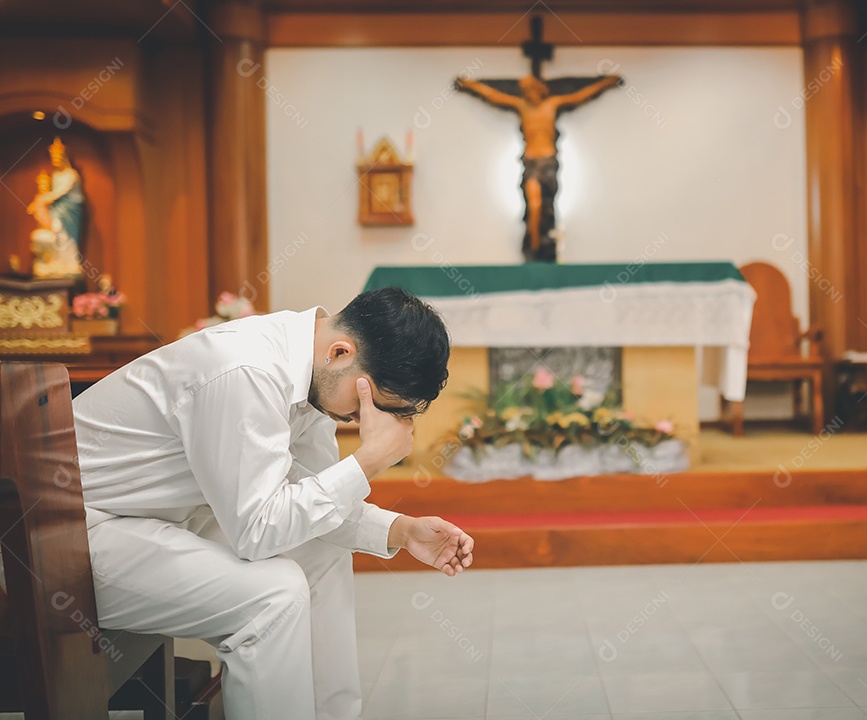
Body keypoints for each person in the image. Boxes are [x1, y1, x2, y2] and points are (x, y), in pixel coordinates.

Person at [74, 286, 473, 720]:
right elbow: (258, 532)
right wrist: (369, 459)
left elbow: (312, 502)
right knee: (273, 597)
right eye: (367, 406)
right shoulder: (245, 370)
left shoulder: (315, 376)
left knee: (321, 552)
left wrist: (399, 530)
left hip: (159, 520)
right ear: (340, 353)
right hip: (74, 535)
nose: (359, 421)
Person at [456, 74, 621, 261]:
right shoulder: (522, 107)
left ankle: (544, 247)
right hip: (531, 161)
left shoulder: (552, 104)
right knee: (534, 204)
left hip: (549, 161)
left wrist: (605, 83)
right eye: (525, 92)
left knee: (546, 207)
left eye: (531, 90)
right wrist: (471, 85)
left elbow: (580, 96)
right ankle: (533, 245)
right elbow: (494, 96)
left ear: (539, 90)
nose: (528, 95)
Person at [26, 136, 86, 278]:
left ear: (64, 157)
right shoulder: (55, 175)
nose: (56, 161)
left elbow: (59, 193)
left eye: (58, 158)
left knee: (65, 236)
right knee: (54, 233)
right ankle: (57, 262)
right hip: (57, 210)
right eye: (53, 158)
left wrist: (41, 200)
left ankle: (69, 263)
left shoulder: (72, 175)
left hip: (69, 214)